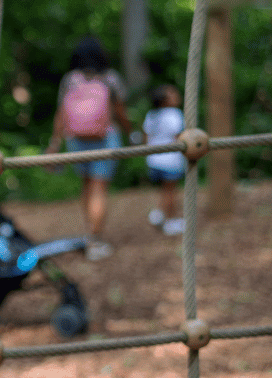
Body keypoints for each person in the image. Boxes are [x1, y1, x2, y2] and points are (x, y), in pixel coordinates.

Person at [46, 36, 131, 261]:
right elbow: (121, 110)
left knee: (87, 185)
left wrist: (55, 142)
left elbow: (61, 114)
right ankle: (95, 238)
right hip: (105, 137)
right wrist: (130, 131)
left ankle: (90, 232)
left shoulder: (70, 80)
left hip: (76, 138)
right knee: (99, 188)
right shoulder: (110, 78)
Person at [143, 83, 185, 236]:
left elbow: (146, 137)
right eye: (172, 94)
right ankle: (170, 221)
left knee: (165, 190)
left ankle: (158, 214)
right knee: (171, 192)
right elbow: (179, 137)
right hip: (171, 160)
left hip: (154, 159)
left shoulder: (151, 115)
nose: (177, 95)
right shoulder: (174, 113)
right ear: (165, 100)